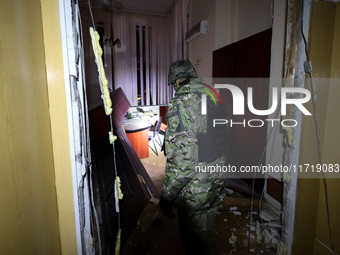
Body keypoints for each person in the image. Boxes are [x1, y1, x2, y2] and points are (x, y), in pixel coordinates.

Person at [159, 60, 229, 255]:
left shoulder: (182, 103)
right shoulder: (213, 95)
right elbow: (222, 138)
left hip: (197, 187)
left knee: (195, 241)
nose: (174, 88)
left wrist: (167, 195)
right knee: (207, 230)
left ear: (178, 81)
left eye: (174, 84)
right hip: (216, 177)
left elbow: (184, 163)